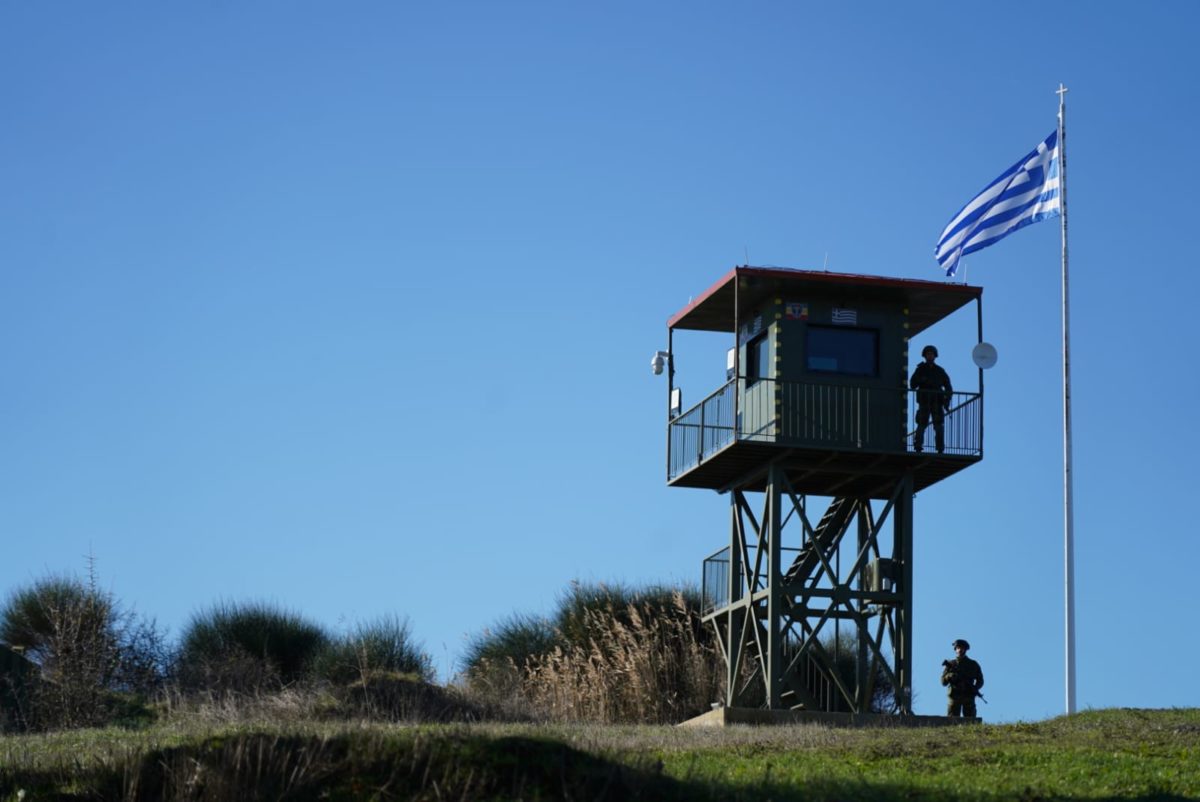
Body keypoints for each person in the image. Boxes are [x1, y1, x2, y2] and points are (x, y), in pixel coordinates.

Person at [910, 345, 952, 453]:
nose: (930, 356)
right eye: (928, 354)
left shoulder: (940, 371)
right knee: (921, 424)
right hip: (924, 402)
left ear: (935, 356)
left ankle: (940, 448)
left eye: (931, 354)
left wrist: (947, 401)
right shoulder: (920, 369)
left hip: (937, 402)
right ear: (925, 356)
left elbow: (948, 387)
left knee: (938, 426)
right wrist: (921, 380)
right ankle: (918, 446)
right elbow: (912, 384)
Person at [941, 638, 984, 717]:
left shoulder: (973, 664)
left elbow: (980, 680)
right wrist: (949, 676)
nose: (960, 650)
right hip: (954, 695)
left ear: (965, 650)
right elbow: (943, 682)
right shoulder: (951, 664)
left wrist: (975, 688)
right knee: (952, 721)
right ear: (955, 649)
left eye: (962, 648)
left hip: (968, 695)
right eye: (958, 648)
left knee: (970, 720)